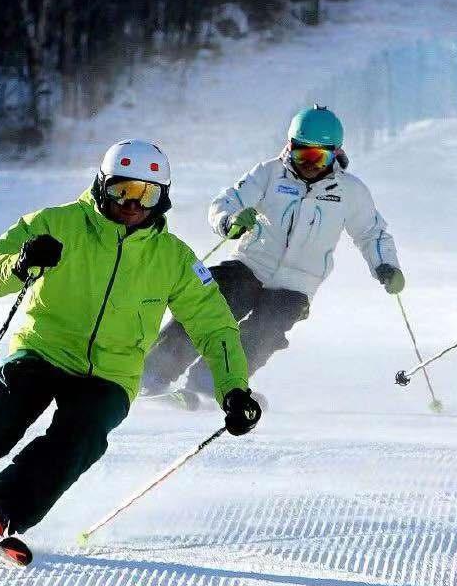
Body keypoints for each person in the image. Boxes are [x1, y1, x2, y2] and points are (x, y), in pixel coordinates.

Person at [0, 139, 263, 541]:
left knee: (79, 438)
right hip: (44, 351)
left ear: (164, 199)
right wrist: (22, 262)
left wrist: (233, 389)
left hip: (111, 372)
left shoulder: (174, 257)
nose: (133, 204)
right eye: (123, 190)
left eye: (147, 195)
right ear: (103, 185)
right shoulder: (57, 223)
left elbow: (215, 327)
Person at [139, 106, 403, 407]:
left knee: (267, 329)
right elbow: (226, 202)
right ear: (289, 147)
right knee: (213, 306)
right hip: (250, 264)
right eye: (302, 155)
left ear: (336, 154)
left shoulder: (350, 192)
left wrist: (386, 265)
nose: (309, 165)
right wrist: (231, 220)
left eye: (320, 158)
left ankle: (208, 385)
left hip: (298, 282)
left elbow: (372, 233)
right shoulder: (269, 174)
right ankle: (152, 374)